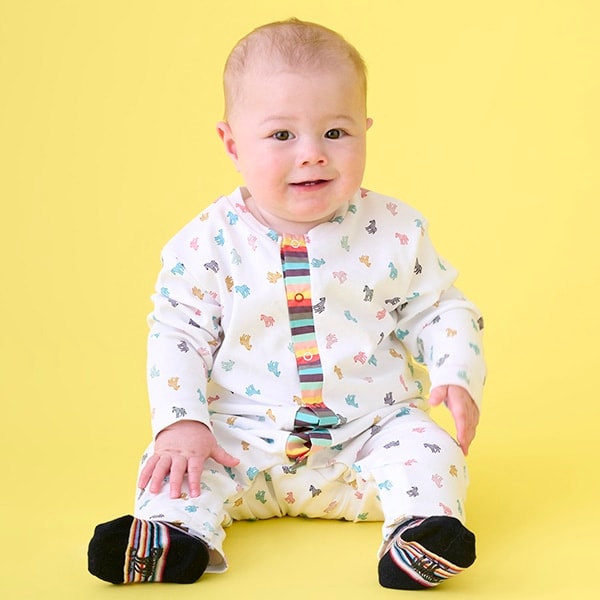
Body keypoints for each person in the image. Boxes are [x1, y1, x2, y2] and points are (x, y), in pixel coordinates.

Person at [88, 18, 486, 590]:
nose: (312, 155)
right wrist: (182, 422)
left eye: (336, 132)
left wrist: (455, 371)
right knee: (175, 464)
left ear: (366, 131)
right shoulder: (206, 243)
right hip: (240, 437)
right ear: (233, 144)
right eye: (281, 136)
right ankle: (173, 536)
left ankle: (418, 533)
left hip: (367, 437)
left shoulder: (396, 230)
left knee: (430, 449)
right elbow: (178, 334)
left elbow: (440, 308)